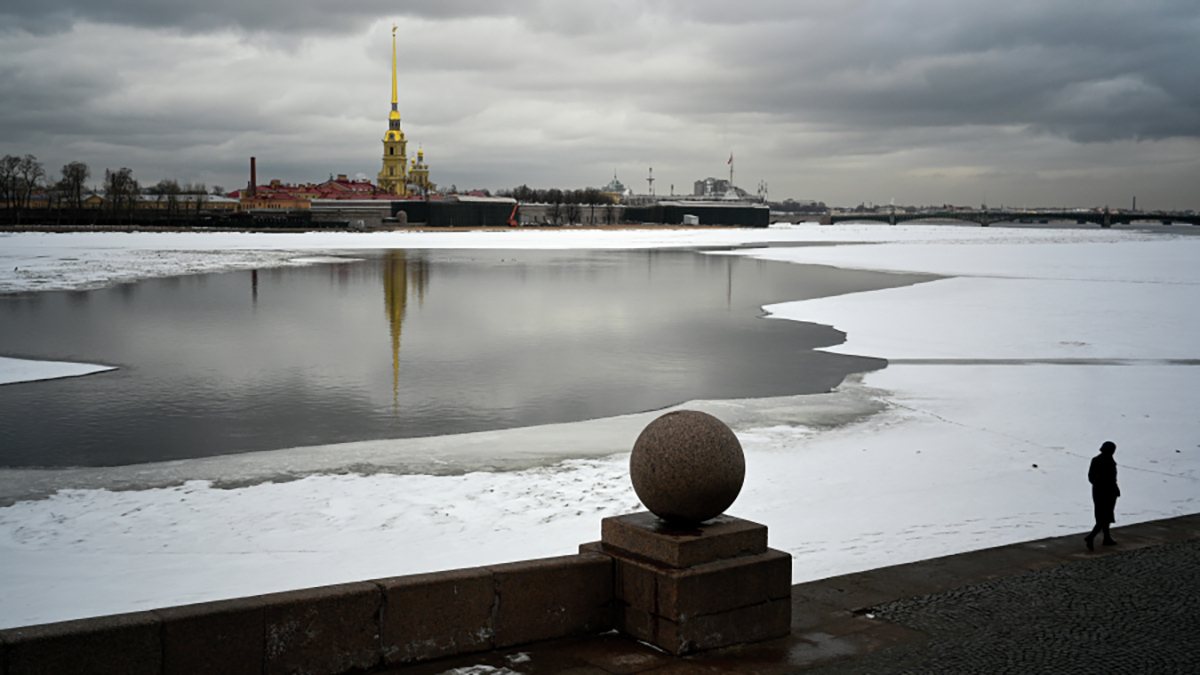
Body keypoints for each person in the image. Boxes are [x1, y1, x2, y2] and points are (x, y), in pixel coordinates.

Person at [1085, 441, 1120, 551]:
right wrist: (1105, 485)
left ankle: (1106, 537)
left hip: (1102, 492)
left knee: (1105, 516)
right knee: (1104, 517)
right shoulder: (1101, 461)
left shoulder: (1099, 460)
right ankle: (1091, 537)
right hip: (1105, 492)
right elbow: (1092, 478)